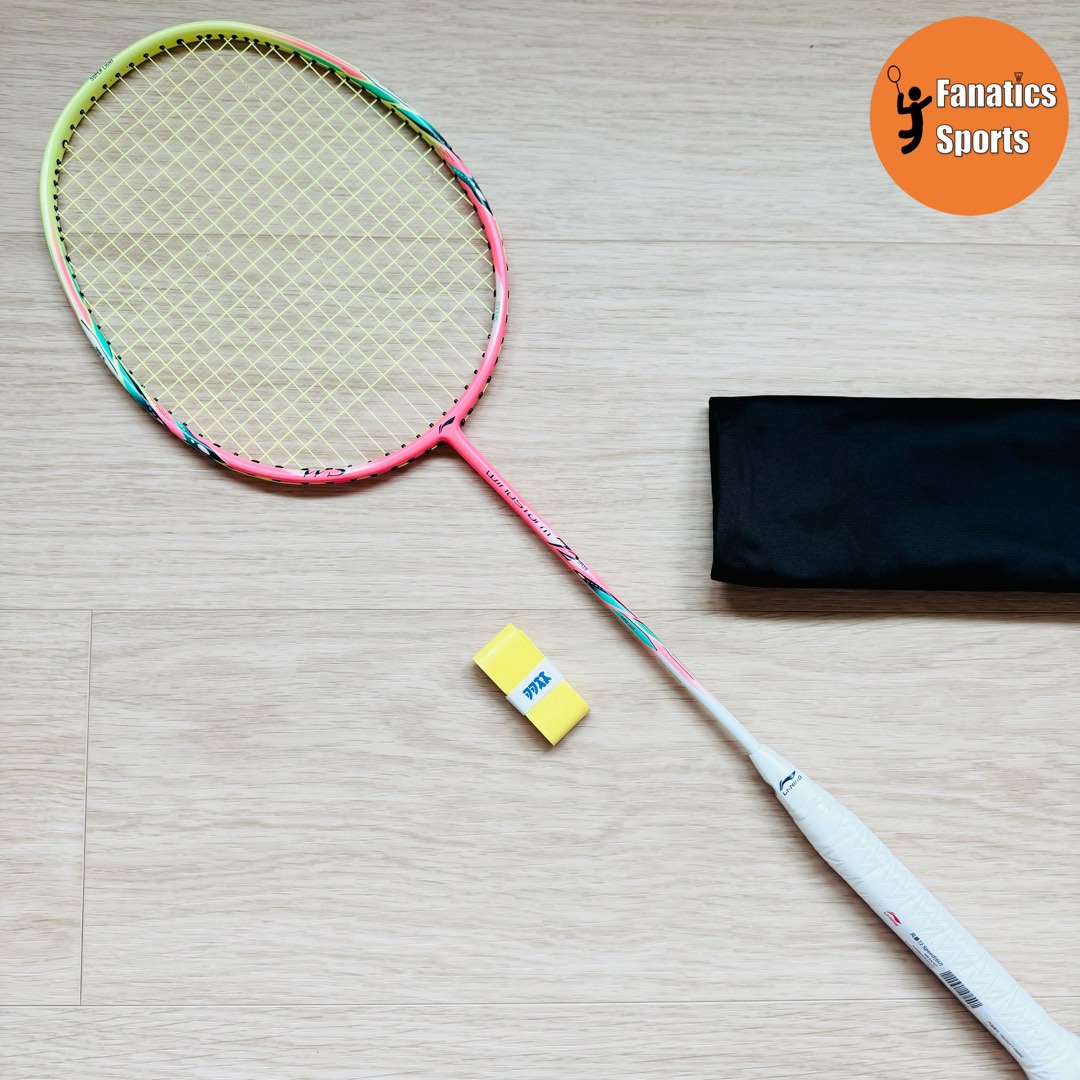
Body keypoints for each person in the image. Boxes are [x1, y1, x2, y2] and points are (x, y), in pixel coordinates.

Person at [897, 85, 932, 154]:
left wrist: (900, 97)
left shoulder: (915, 107)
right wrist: (900, 97)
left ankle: (904, 147)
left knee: (907, 136)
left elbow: (901, 110)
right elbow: (927, 100)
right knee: (911, 138)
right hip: (917, 129)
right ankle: (904, 147)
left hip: (916, 129)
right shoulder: (916, 107)